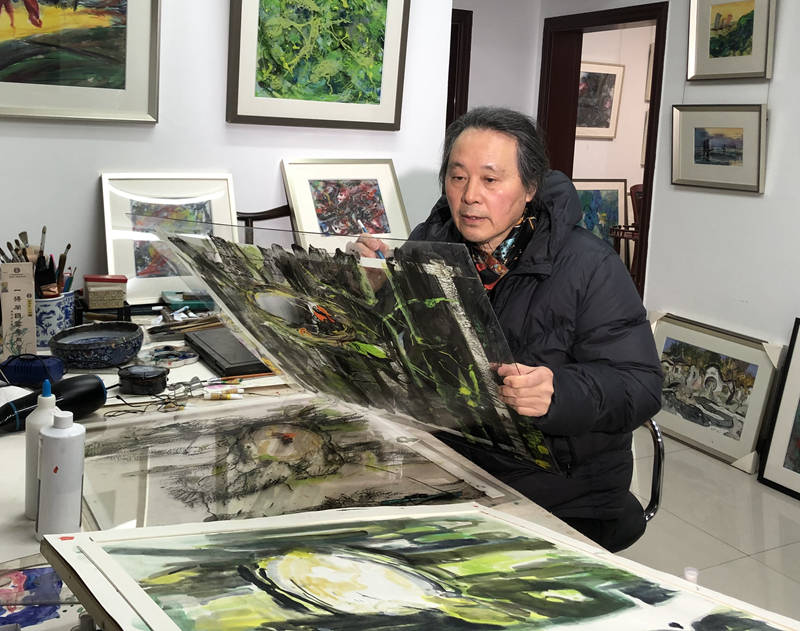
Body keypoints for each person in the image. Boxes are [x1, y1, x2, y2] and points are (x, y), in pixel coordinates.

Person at [355, 107, 662, 552]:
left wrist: (559, 393)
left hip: (559, 484)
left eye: (490, 180)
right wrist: (376, 289)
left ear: (529, 188)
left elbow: (642, 384)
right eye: (458, 177)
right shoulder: (430, 242)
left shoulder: (588, 264)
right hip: (454, 454)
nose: (469, 196)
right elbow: (398, 344)